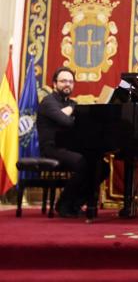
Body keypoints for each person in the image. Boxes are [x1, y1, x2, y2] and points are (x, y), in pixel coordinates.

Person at [37, 67, 108, 218]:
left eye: (70, 81)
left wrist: (73, 109)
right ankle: (63, 203)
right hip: (51, 148)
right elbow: (66, 122)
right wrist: (73, 109)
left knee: (103, 167)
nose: (67, 84)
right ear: (54, 84)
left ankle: (76, 203)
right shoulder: (48, 102)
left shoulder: (72, 103)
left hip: (68, 147)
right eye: (63, 81)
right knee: (82, 162)